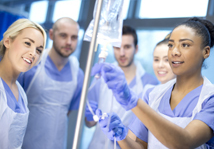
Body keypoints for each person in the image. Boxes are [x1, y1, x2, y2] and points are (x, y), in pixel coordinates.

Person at [92, 17, 214, 148]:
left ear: (206, 52)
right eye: (171, 45)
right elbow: (140, 146)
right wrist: (120, 136)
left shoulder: (210, 99)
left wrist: (132, 102)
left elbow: (184, 142)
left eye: (185, 45)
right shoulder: (152, 94)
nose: (174, 52)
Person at [85, 25, 159, 149]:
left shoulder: (149, 83)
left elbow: (148, 132)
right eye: (117, 47)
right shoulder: (102, 76)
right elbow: (90, 123)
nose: (122, 53)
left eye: (127, 47)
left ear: (136, 49)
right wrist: (89, 116)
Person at [18, 17, 84, 149]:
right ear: (52, 35)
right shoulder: (32, 65)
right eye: (63, 36)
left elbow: (66, 112)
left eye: (74, 37)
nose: (69, 42)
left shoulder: (78, 74)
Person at [0, 18, 46, 149]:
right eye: (27, 43)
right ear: (8, 41)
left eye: (39, 50)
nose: (33, 53)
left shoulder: (21, 94)